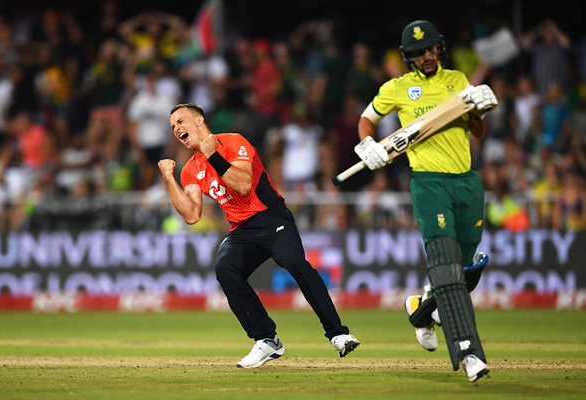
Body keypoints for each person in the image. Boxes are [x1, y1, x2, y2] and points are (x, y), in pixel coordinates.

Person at [158, 102, 359, 368]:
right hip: (242, 229)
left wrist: (213, 157)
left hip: (272, 218)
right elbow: (192, 214)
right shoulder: (191, 169)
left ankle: (338, 334)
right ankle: (267, 340)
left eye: (181, 122)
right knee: (225, 268)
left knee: (295, 263)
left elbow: (242, 185)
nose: (176, 129)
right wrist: (170, 178)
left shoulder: (232, 142)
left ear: (199, 121)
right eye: (173, 126)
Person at [353, 20, 498, 382]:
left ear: (440, 49)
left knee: (462, 268)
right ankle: (469, 353)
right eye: (419, 53)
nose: (427, 56)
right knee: (446, 262)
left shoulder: (458, 80)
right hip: (429, 183)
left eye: (431, 49)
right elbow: (367, 120)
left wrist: (480, 110)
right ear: (408, 58)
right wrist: (367, 145)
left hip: (466, 181)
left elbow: (477, 131)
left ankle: (421, 308)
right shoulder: (398, 88)